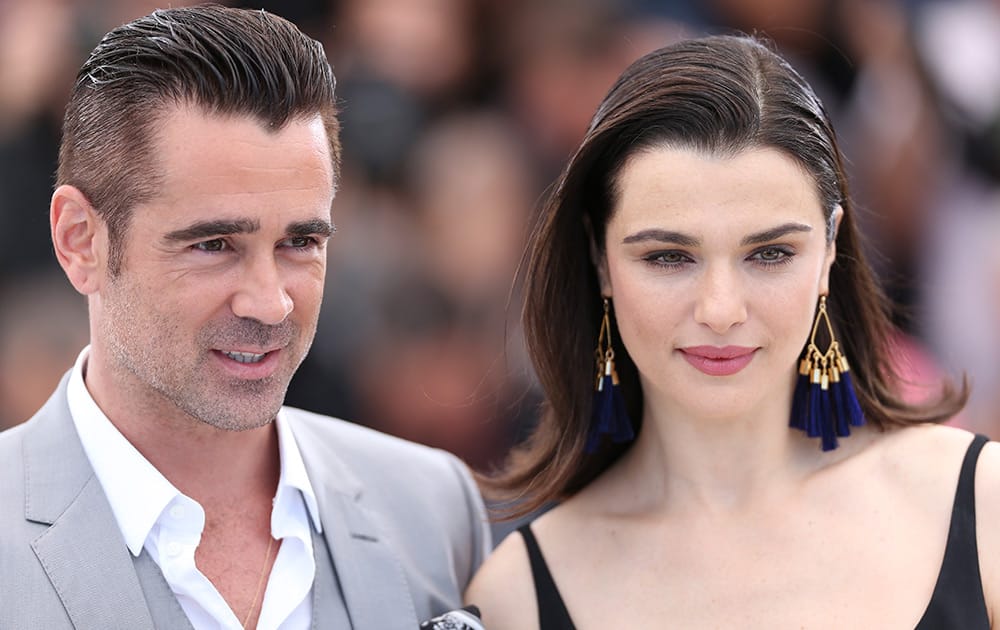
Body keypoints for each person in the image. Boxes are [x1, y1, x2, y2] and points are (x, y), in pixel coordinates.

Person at [465, 35, 1000, 629]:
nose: (720, 309)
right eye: (669, 257)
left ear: (828, 253)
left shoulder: (980, 503)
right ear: (599, 260)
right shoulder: (516, 597)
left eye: (769, 253)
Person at [0, 6, 490, 629]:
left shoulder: (434, 509)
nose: (270, 302)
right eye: (213, 245)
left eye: (301, 243)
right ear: (80, 241)